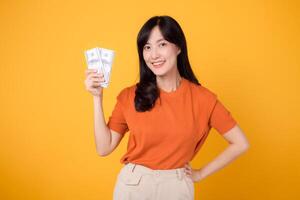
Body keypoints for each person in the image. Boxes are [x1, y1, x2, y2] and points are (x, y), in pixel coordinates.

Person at [84, 15, 250, 200]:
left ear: (178, 47)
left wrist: (200, 174)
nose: (153, 54)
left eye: (162, 44)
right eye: (147, 47)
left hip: (176, 188)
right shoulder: (129, 96)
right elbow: (103, 148)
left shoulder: (203, 99)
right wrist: (97, 98)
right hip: (133, 186)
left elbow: (241, 143)